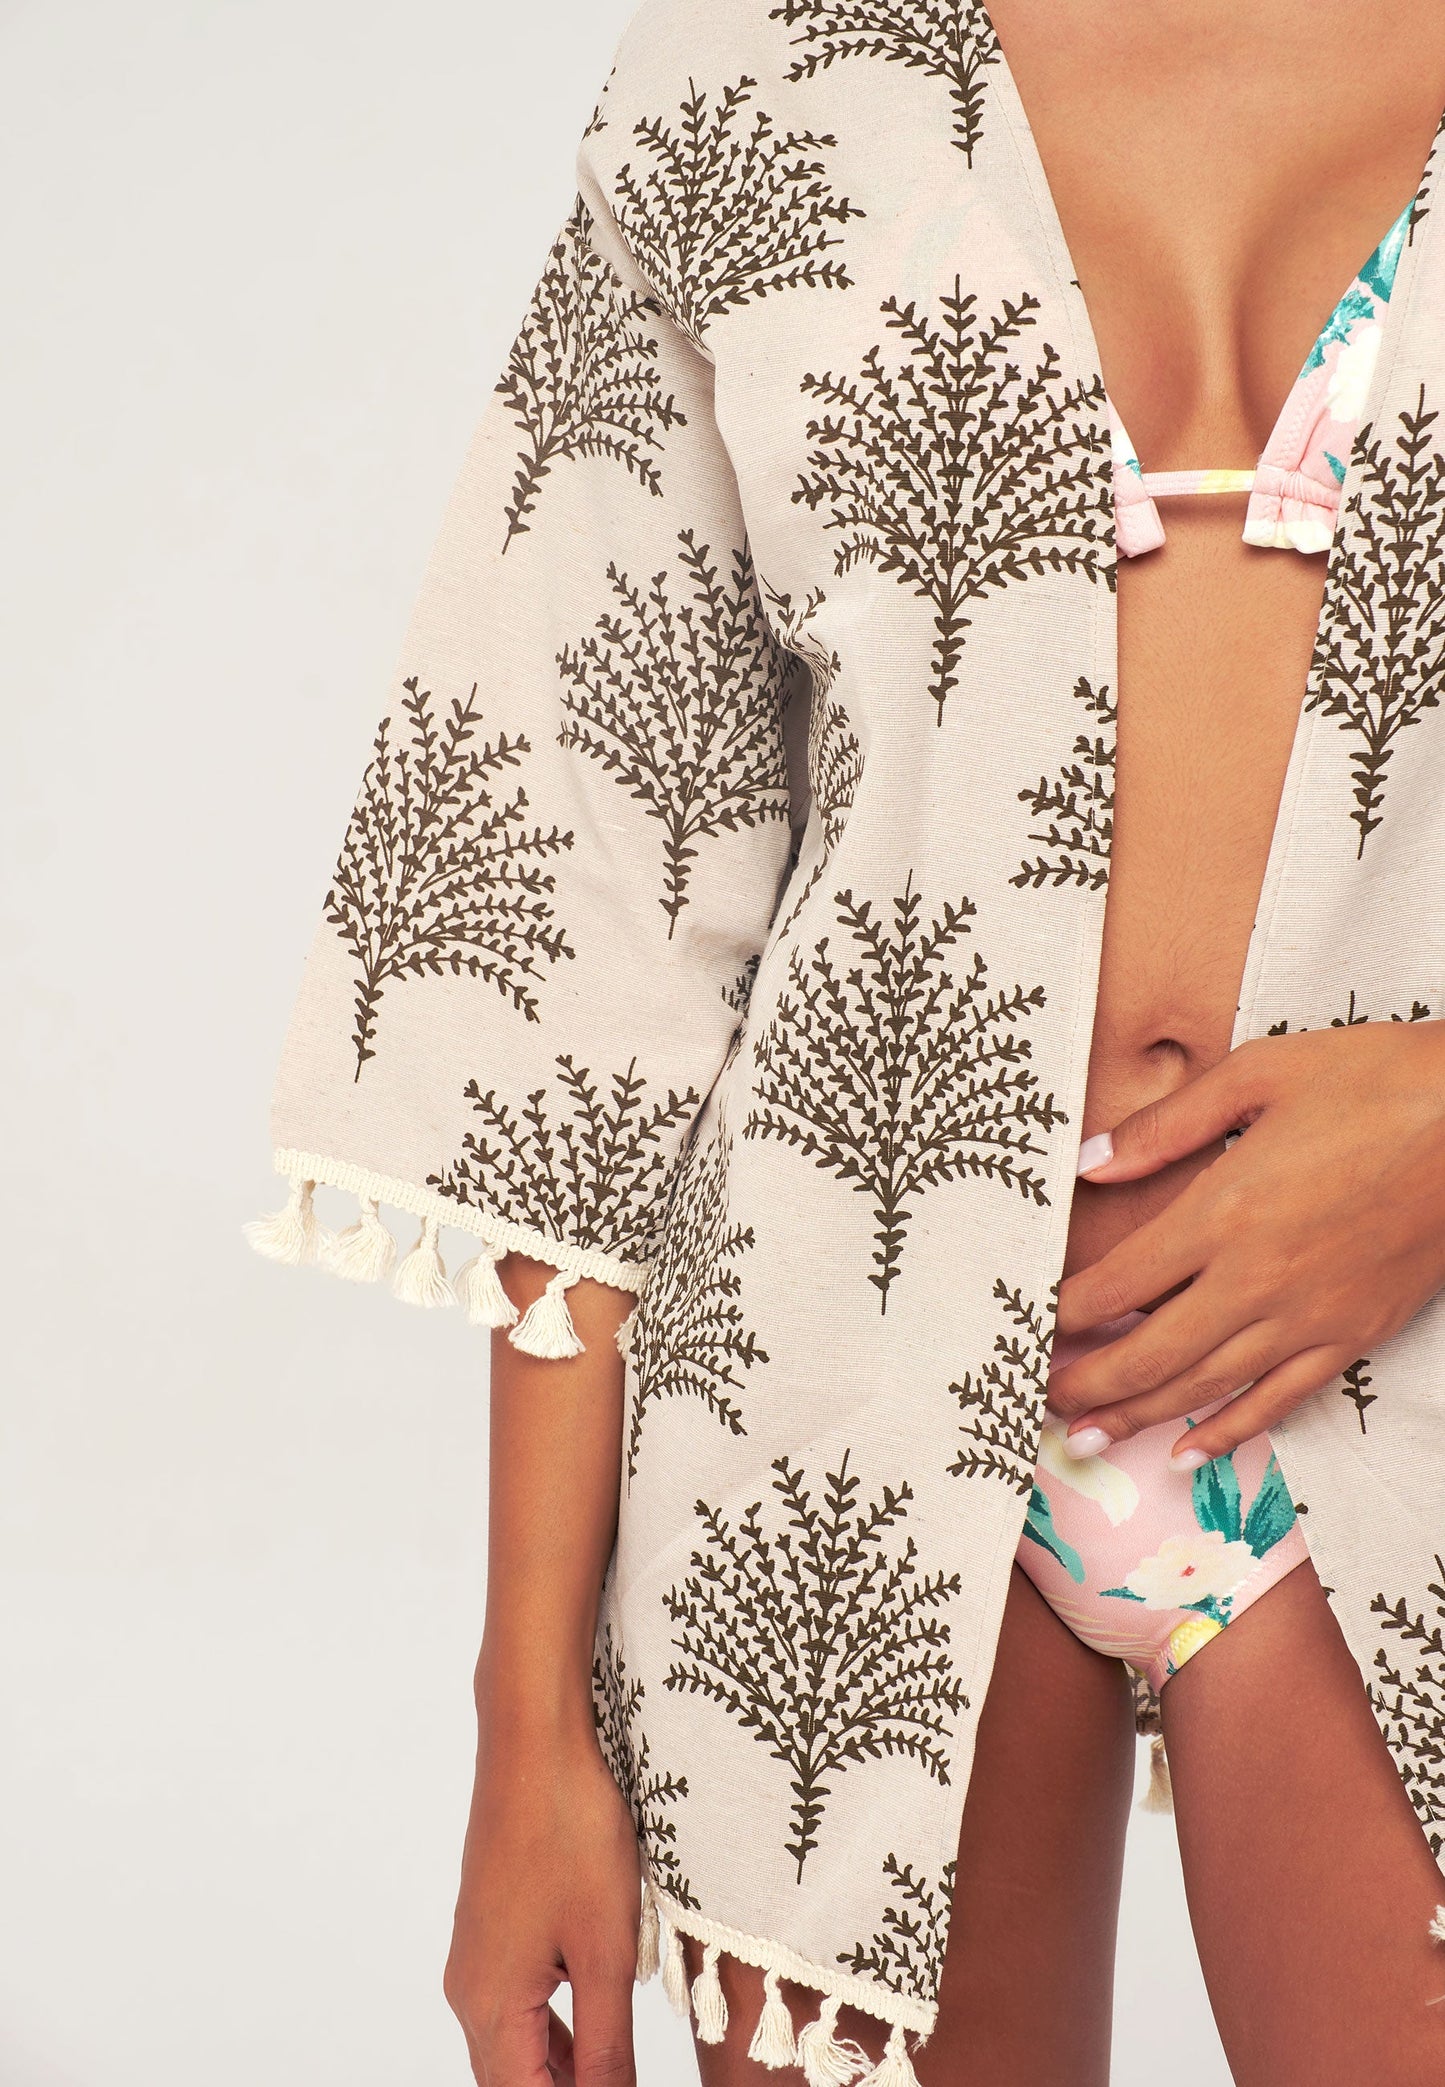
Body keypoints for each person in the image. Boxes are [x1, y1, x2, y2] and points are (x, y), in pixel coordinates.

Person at [246, 0, 1445, 2079]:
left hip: (1399, 1370)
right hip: (825, 1432)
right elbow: (582, 921)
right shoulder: (764, 73)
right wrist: (526, 1731)